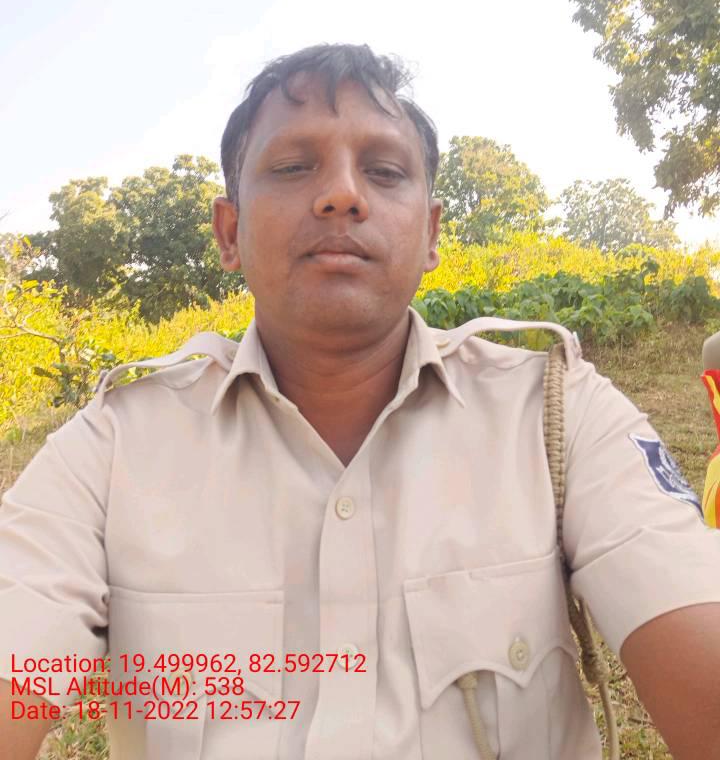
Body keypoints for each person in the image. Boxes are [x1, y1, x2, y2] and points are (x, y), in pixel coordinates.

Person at [1, 42, 720, 760]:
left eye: (384, 171)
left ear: (431, 234)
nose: (342, 194)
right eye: (293, 167)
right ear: (230, 232)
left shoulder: (554, 416)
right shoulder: (115, 445)